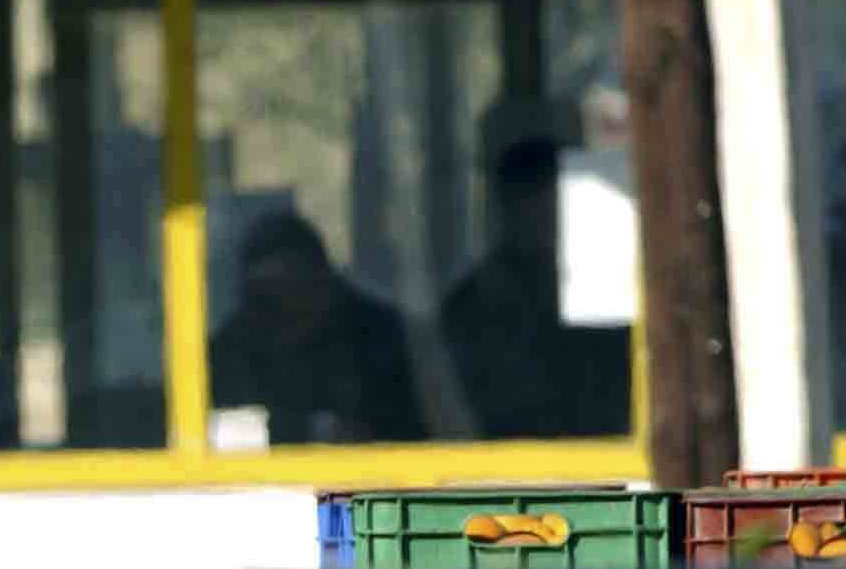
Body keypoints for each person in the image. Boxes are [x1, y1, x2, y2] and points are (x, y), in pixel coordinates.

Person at [442, 138, 627, 439]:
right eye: (530, 205)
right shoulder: (469, 311)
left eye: (551, 207)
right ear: (505, 209)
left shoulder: (606, 297)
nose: (541, 221)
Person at [209, 211, 427, 446]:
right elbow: (211, 424)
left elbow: (425, 431)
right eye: (263, 294)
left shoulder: (382, 338)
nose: (278, 308)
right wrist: (307, 430)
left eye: (292, 282)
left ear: (321, 277)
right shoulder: (235, 345)